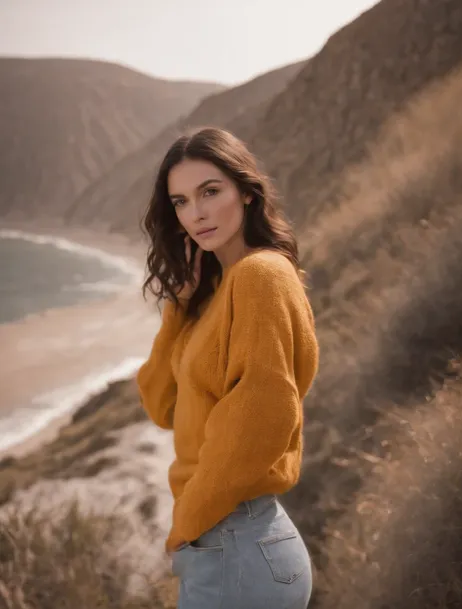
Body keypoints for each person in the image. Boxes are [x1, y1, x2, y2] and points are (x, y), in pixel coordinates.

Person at [136, 126, 319, 609]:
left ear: (246, 191)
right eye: (180, 202)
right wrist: (179, 306)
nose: (195, 213)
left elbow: (263, 415)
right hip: (227, 543)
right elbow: (161, 406)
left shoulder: (262, 275)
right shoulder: (216, 292)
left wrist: (187, 523)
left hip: (235, 542)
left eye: (209, 192)